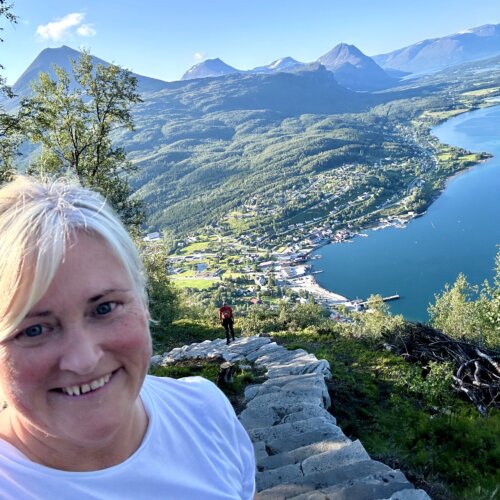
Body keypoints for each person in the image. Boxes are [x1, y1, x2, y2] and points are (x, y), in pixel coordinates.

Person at [0, 176, 256, 499]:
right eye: (34, 329)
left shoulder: (205, 412)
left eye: (105, 308)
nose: (84, 360)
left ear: (143, 303)